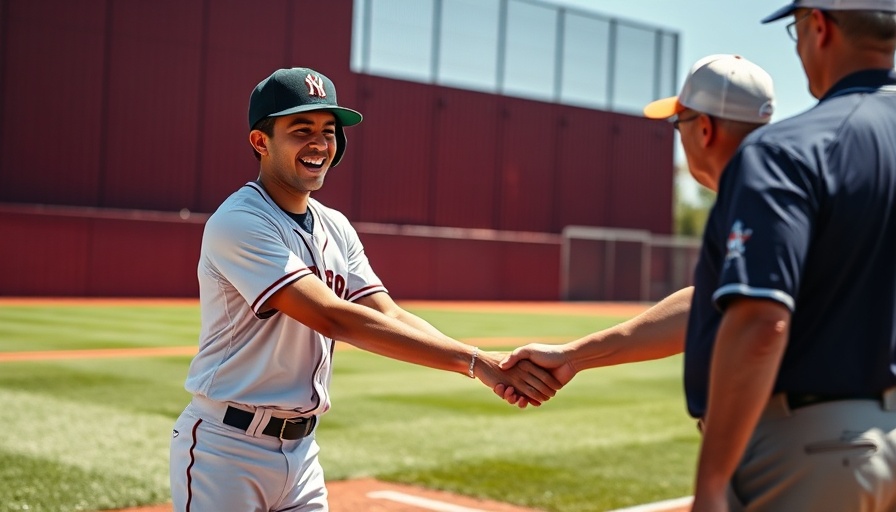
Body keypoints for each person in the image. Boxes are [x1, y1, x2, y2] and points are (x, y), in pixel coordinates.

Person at [168, 67, 561, 512]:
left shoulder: (336, 226)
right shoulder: (240, 221)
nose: (319, 143)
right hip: (227, 451)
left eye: (328, 131)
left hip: (302, 455)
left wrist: (482, 360)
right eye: (301, 130)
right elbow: (334, 318)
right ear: (261, 142)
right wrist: (475, 363)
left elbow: (386, 313)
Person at [684, 2, 896, 510]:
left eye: (794, 30)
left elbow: (761, 324)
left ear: (819, 27)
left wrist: (712, 481)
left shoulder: (789, 149)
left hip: (823, 451)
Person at [494, 54, 775, 401]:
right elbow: (702, 306)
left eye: (678, 123)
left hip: (798, 431)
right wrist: (573, 356)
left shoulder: (764, 201)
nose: (679, 136)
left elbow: (762, 326)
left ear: (704, 129)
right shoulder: (766, 194)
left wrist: (724, 440)